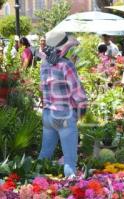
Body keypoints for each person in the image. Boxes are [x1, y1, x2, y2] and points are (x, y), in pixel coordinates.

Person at [38, 31, 87, 178]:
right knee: (70, 159)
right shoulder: (66, 64)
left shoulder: (44, 64)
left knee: (45, 154)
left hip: (48, 114)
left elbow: (44, 88)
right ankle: (71, 189)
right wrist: (83, 109)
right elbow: (77, 92)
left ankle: (33, 182)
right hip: (64, 114)